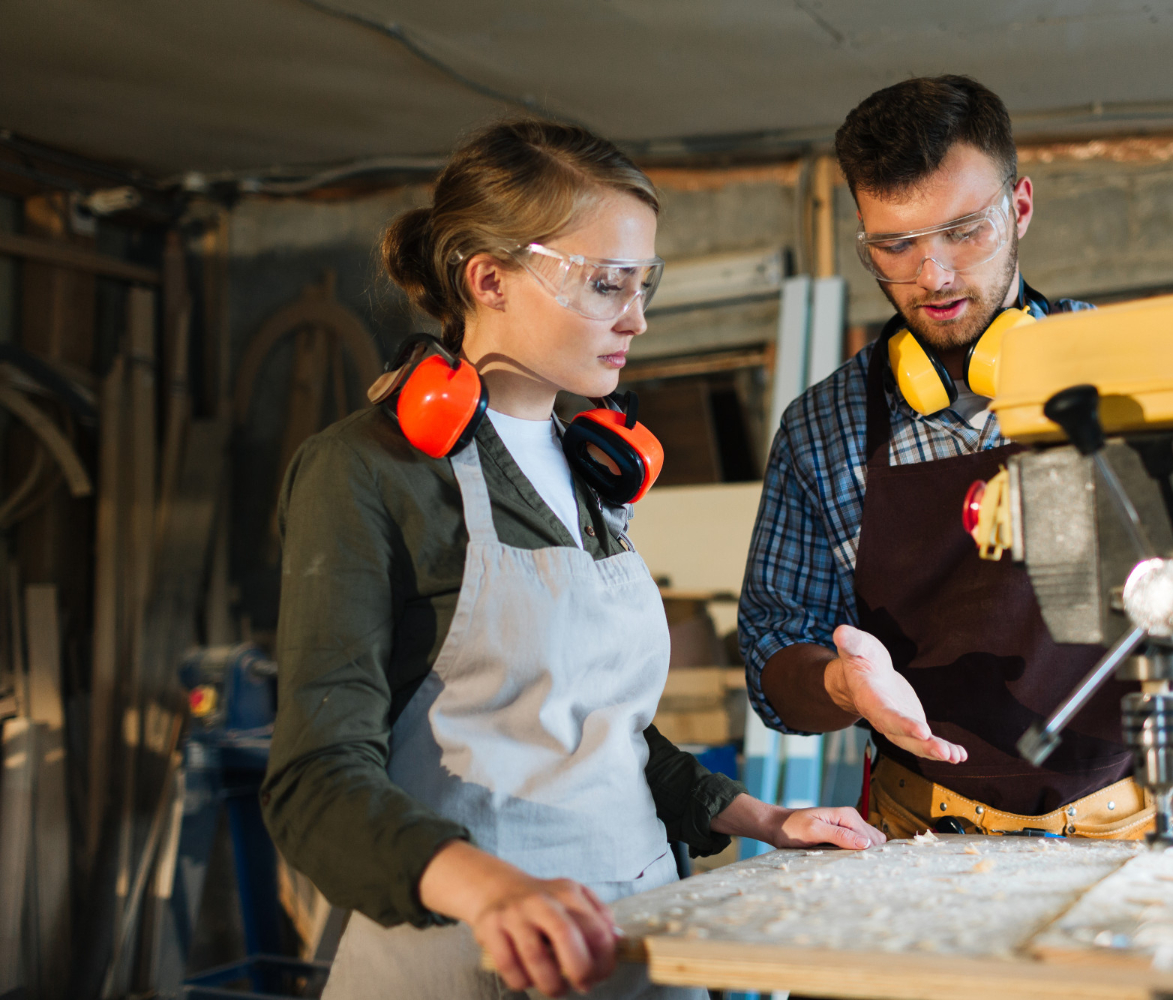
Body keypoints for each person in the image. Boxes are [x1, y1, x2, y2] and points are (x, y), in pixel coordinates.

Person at [737, 76, 1173, 912]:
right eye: (894, 246)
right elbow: (775, 662)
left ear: (1020, 205)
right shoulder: (823, 430)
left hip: (1131, 839)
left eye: (963, 230)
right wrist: (843, 684)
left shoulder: (1136, 384)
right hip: (914, 849)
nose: (933, 274)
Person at [262, 119, 885, 1000]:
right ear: (489, 278)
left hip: (637, 939)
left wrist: (767, 820)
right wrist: (491, 888)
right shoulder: (369, 470)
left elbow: (603, 734)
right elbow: (315, 784)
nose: (636, 316)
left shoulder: (592, 466)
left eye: (642, 284)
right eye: (604, 284)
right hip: (470, 952)